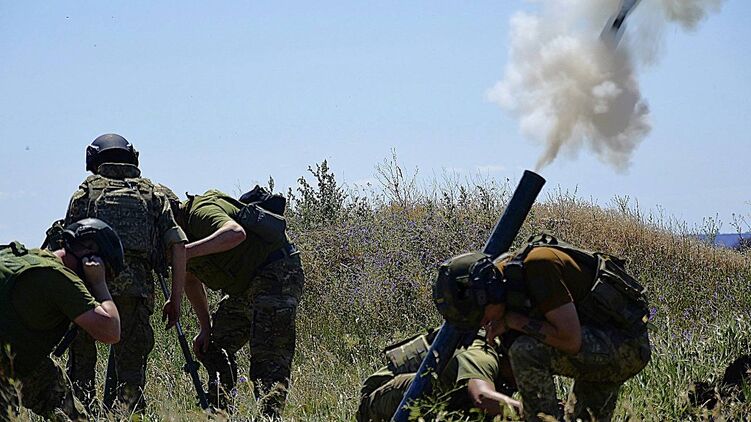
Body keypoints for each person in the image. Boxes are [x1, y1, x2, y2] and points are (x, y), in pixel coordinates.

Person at [435, 234, 652, 421]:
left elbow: (570, 340)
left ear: (489, 291)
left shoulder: (538, 266)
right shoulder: (508, 282)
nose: (484, 324)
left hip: (626, 347)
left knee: (525, 351)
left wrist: (513, 321)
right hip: (601, 347)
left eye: (481, 316)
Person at [63, 133, 188, 413]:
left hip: (89, 289)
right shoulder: (152, 194)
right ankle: (130, 415)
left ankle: (82, 415)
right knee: (131, 374)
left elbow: (68, 246)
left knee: (81, 369)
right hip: (137, 291)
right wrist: (176, 300)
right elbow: (178, 245)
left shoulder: (85, 192)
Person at [176, 188, 304, 417]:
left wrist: (184, 252)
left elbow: (235, 233)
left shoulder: (200, 211)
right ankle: (221, 413)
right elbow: (190, 279)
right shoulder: (180, 235)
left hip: (276, 272)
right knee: (213, 345)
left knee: (268, 359)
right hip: (245, 286)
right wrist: (205, 328)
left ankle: (269, 418)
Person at [0, 218, 123, 421]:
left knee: (57, 393)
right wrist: (99, 284)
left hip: (16, 357)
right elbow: (111, 331)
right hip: (8, 362)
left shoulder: (23, 257)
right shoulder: (60, 278)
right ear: (90, 254)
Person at [357, 330, 522, 421]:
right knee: (433, 391)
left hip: (433, 399)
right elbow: (482, 398)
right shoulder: (482, 354)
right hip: (380, 398)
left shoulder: (505, 375)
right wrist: (531, 414)